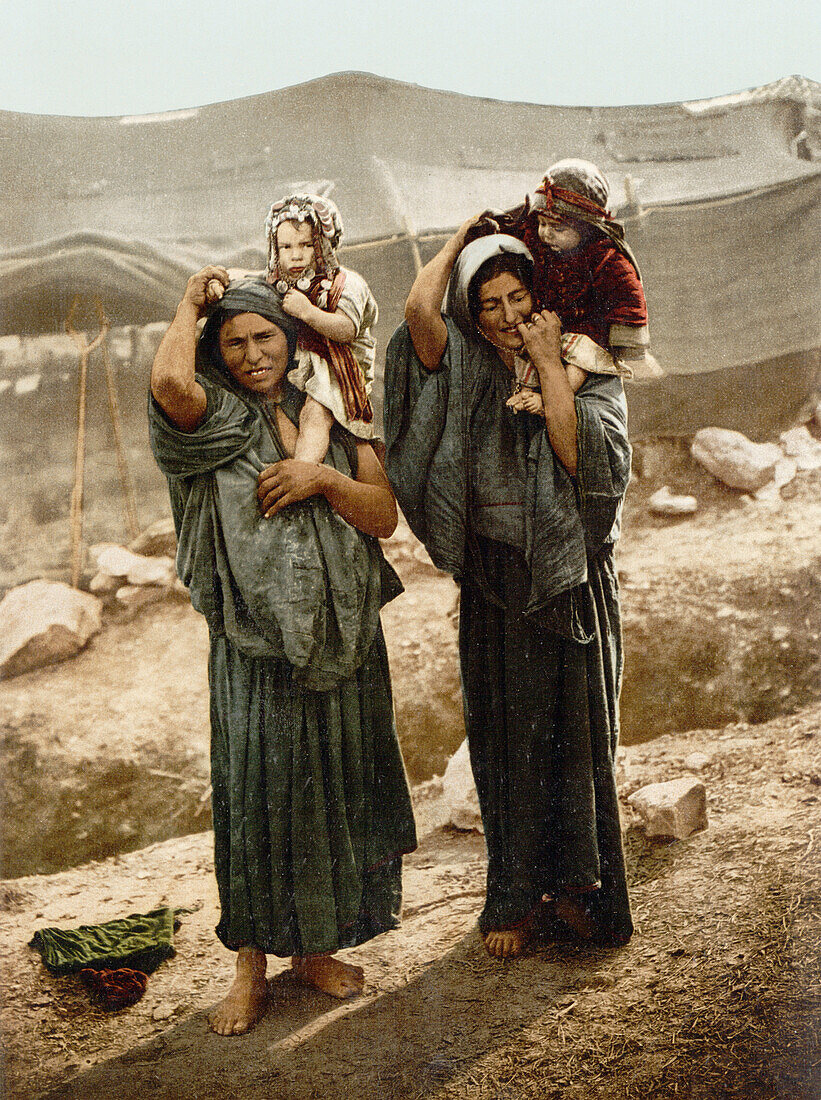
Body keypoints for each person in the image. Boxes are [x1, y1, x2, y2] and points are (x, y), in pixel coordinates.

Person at [149, 267, 416, 1035]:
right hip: (256, 643)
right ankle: (249, 966)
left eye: (264, 335)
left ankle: (314, 950)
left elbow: (382, 517)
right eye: (231, 342)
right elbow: (169, 381)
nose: (251, 353)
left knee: (332, 790)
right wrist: (188, 305)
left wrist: (321, 477)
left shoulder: (333, 406)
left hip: (342, 629)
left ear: (291, 336)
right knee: (260, 799)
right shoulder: (209, 418)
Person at [384, 226, 633, 959]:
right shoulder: (461, 364)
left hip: (568, 577)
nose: (501, 313)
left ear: (541, 297)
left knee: (575, 741)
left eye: (517, 295)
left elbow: (582, 460)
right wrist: (467, 232)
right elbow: (417, 314)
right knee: (505, 741)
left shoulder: (588, 363)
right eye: (486, 300)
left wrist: (550, 363)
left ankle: (585, 895)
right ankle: (518, 898)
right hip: (496, 578)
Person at [474, 158, 653, 388]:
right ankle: (527, 391)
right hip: (547, 325)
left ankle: (562, 394)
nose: (546, 234)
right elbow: (517, 229)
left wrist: (625, 338)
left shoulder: (604, 258)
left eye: (558, 228)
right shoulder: (538, 240)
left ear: (586, 227)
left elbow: (626, 293)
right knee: (526, 354)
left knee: (581, 360)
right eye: (542, 223)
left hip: (586, 332)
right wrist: (492, 226)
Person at [265, 193, 378, 463]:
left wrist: (307, 311)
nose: (296, 256)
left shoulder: (347, 284)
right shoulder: (282, 281)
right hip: (299, 367)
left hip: (338, 369)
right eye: (286, 247)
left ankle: (302, 472)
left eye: (306, 245)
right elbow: (250, 280)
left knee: (315, 413)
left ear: (324, 245)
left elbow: (345, 329)